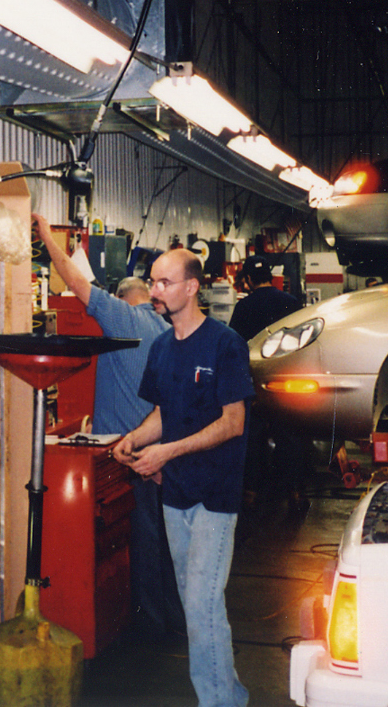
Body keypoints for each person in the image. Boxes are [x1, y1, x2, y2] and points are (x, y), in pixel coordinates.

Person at [31, 213, 185, 641]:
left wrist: (46, 237)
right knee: (166, 544)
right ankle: (173, 620)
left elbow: (76, 282)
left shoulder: (124, 319)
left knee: (142, 542)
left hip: (127, 459)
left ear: (123, 299)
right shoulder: (169, 332)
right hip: (163, 456)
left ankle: (149, 627)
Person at [114, 248, 252, 707]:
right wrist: (135, 439)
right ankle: (229, 695)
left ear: (191, 287)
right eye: (153, 281)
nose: (155, 291)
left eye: (164, 283)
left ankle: (219, 702)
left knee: (201, 604)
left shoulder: (225, 344)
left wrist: (167, 451)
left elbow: (233, 422)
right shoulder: (161, 347)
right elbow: (162, 413)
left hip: (215, 496)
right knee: (198, 604)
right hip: (175, 494)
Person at [228, 255, 307, 514]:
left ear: (249, 280)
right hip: (287, 382)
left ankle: (251, 494)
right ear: (271, 277)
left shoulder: (244, 307)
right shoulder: (292, 303)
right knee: (290, 437)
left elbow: (235, 346)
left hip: (256, 383)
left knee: (253, 438)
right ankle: (295, 493)